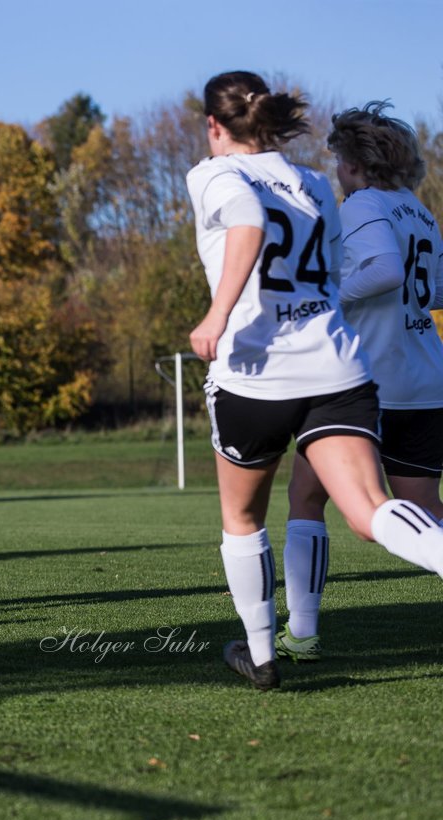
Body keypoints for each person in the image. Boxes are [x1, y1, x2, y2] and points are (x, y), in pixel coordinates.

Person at [185, 72, 443, 690]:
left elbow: (248, 220)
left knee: (243, 518)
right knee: (372, 508)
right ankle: (296, 635)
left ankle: (265, 653)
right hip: (338, 366)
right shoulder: (316, 184)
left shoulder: (213, 173)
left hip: (257, 368)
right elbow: (328, 277)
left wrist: (219, 313)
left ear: (215, 125)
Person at [279, 101, 443, 663]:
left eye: (340, 159)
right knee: (425, 511)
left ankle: (301, 634)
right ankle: (300, 634)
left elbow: (386, 273)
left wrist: (325, 296)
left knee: (309, 495)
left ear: (354, 163)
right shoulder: (417, 212)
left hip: (369, 383)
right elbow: (434, 290)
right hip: (426, 379)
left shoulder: (365, 204)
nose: (336, 169)